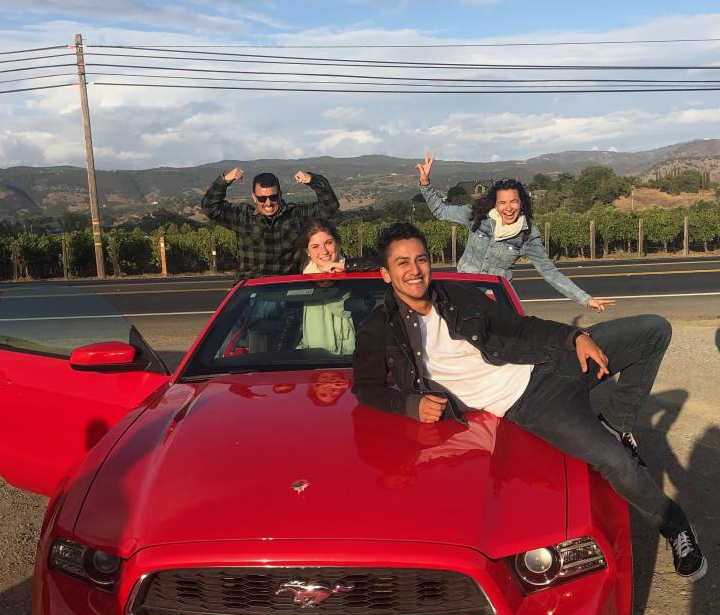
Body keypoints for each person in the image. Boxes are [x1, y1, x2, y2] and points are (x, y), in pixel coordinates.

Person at [352, 222, 707, 581]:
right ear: (385, 273)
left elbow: (520, 328)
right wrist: (410, 405)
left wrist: (575, 336)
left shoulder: (458, 295)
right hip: (532, 402)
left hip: (552, 360)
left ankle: (615, 423)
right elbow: (365, 386)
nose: (414, 270)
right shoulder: (379, 328)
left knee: (653, 330)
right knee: (616, 462)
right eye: (402, 263)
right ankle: (674, 524)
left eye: (421, 259)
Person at [415, 152, 614, 312]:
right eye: (502, 202)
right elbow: (441, 211)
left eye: (513, 201)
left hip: (495, 299)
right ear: (495, 203)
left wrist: (586, 300)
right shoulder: (477, 215)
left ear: (521, 203)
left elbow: (550, 273)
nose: (508, 208)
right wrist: (425, 184)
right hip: (463, 294)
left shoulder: (527, 234)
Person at [201, 167, 339, 279]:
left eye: (273, 197)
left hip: (286, 290)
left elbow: (330, 206)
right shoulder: (242, 216)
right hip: (252, 292)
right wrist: (224, 180)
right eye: (262, 198)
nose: (268, 203)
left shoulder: (296, 215)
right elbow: (210, 208)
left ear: (280, 194)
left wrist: (312, 180)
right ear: (254, 198)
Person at [297, 218, 356, 355]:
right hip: (316, 362)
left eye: (328, 243)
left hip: (356, 359)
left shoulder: (357, 276)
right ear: (307, 251)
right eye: (315, 246)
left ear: (337, 243)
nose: (324, 252)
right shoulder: (300, 285)